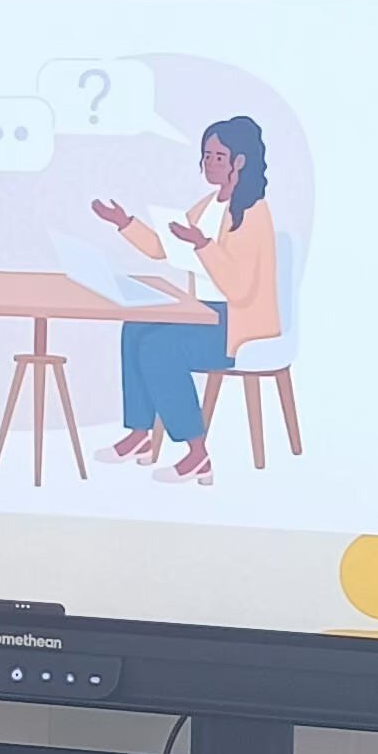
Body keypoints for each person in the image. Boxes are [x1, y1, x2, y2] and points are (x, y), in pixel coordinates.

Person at [93, 116, 280, 486]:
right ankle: (140, 435)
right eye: (206, 155)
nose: (209, 163)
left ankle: (197, 455)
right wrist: (123, 222)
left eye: (218, 156)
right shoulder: (208, 205)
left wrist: (203, 245)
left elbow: (239, 288)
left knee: (160, 346)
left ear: (240, 161)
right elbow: (163, 248)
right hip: (204, 314)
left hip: (236, 324)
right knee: (136, 327)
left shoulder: (252, 213)